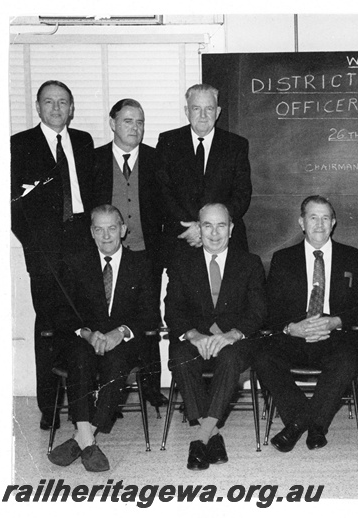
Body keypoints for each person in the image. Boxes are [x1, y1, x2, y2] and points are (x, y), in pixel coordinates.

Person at [11, 79, 96, 430]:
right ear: (38, 106)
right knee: (48, 327)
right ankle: (50, 406)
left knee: (85, 318)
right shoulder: (19, 144)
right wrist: (32, 243)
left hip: (80, 239)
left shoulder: (83, 141)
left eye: (63, 102)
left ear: (72, 107)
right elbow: (11, 204)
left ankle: (86, 401)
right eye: (49, 102)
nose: (57, 108)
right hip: (44, 248)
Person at [47, 205, 156, 472]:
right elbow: (61, 312)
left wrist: (120, 332)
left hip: (123, 342)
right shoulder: (76, 262)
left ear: (123, 229)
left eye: (112, 228)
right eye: (99, 229)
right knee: (79, 357)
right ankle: (87, 438)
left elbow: (150, 315)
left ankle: (81, 438)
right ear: (92, 232)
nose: (106, 236)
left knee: (116, 362)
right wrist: (86, 333)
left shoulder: (141, 264)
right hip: (86, 341)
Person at [256, 195, 358, 452]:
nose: (319, 224)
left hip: (333, 334)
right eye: (312, 217)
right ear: (301, 222)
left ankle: (301, 425)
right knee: (262, 357)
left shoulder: (352, 257)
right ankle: (309, 420)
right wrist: (292, 328)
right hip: (295, 333)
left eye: (325, 217)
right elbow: (269, 309)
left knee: (348, 358)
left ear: (334, 222)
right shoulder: (283, 258)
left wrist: (335, 321)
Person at [164, 203, 267, 471]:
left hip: (234, 343)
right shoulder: (181, 263)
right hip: (196, 341)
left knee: (231, 357)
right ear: (198, 229)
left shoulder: (250, 263)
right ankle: (212, 435)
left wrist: (232, 335)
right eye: (207, 225)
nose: (214, 232)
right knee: (180, 355)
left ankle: (200, 436)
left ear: (231, 229)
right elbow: (172, 310)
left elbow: (258, 312)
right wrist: (194, 335)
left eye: (221, 225)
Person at [91, 98, 167, 410]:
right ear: (112, 123)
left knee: (146, 320)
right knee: (107, 316)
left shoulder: (156, 159)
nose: (134, 128)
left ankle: (150, 387)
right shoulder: (93, 159)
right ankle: (110, 390)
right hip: (106, 251)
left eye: (139, 122)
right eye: (127, 121)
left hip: (146, 251)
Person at [156, 83, 252, 259]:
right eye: (196, 108)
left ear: (218, 112)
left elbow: (242, 194)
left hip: (224, 241)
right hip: (183, 237)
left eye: (209, 108)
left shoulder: (236, 145)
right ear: (187, 111)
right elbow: (163, 191)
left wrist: (211, 227)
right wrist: (192, 228)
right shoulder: (168, 142)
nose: (202, 115)